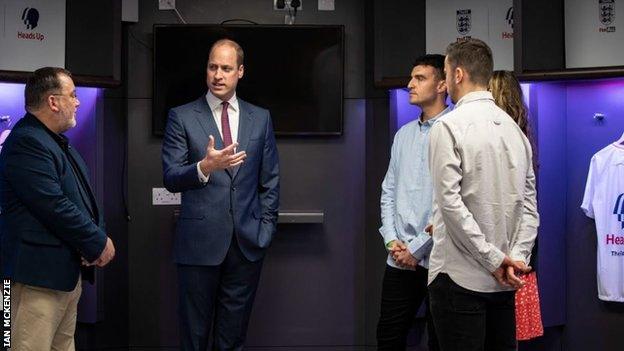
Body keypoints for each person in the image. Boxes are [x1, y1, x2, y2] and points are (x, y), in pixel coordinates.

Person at [161, 39, 280, 351]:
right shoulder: (182, 116)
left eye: (226, 68)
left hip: (246, 246)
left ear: (240, 72)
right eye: (213, 67)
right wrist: (204, 166)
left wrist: (264, 230)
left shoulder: (261, 118)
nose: (218, 74)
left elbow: (270, 181)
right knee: (194, 337)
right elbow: (171, 177)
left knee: (232, 339)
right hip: (198, 245)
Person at [427, 38, 539, 351]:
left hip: (458, 278)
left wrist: (494, 259)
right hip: (505, 280)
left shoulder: (446, 127)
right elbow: (530, 208)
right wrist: (517, 258)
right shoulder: (514, 130)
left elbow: (450, 205)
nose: (446, 82)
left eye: (446, 73)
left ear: (458, 74)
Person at [0, 67, 115, 350]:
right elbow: (53, 206)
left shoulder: (54, 142)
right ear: (53, 102)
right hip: (34, 281)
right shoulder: (27, 142)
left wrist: (91, 243)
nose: (77, 102)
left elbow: (83, 201)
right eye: (73, 95)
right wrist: (96, 242)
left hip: (61, 278)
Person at [376, 54, 449, 351]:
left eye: (420, 78)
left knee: (440, 340)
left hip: (440, 260)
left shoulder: (453, 132)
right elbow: (388, 191)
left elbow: (450, 203)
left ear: (442, 84)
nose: (410, 84)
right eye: (411, 77)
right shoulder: (403, 134)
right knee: (388, 337)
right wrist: (391, 241)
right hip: (398, 258)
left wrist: (417, 248)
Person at [489, 70, 544, 341]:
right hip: (520, 251)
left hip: (496, 254)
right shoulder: (524, 139)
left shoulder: (497, 140)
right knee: (507, 335)